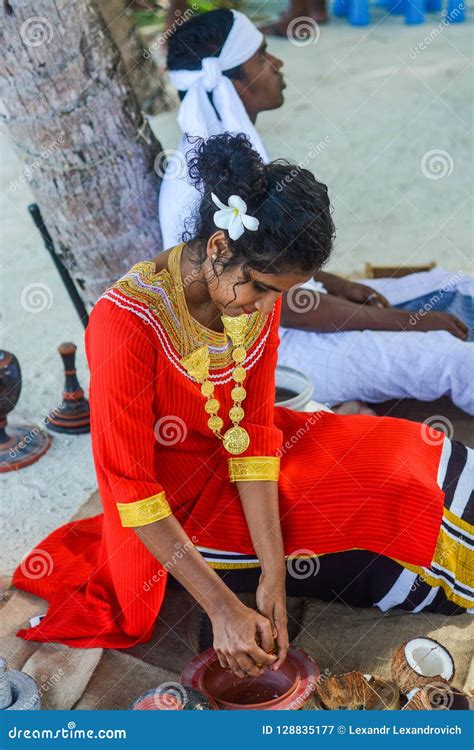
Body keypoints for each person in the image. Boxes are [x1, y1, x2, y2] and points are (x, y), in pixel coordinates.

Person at [14, 135, 473, 676]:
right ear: (216, 248)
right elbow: (129, 489)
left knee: (415, 455)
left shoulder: (252, 289)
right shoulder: (123, 324)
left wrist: (273, 570)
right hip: (174, 510)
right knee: (381, 517)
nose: (266, 306)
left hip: (249, 461)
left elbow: (254, 432)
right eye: (258, 288)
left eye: (276, 293)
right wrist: (222, 608)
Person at [159, 8, 473, 415]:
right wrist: (402, 321)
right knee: (453, 359)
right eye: (262, 57)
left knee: (454, 286)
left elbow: (274, 260)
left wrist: (339, 284)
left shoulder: (225, 153)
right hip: (268, 349)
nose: (277, 64)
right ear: (234, 84)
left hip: (298, 311)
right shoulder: (205, 181)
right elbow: (275, 301)